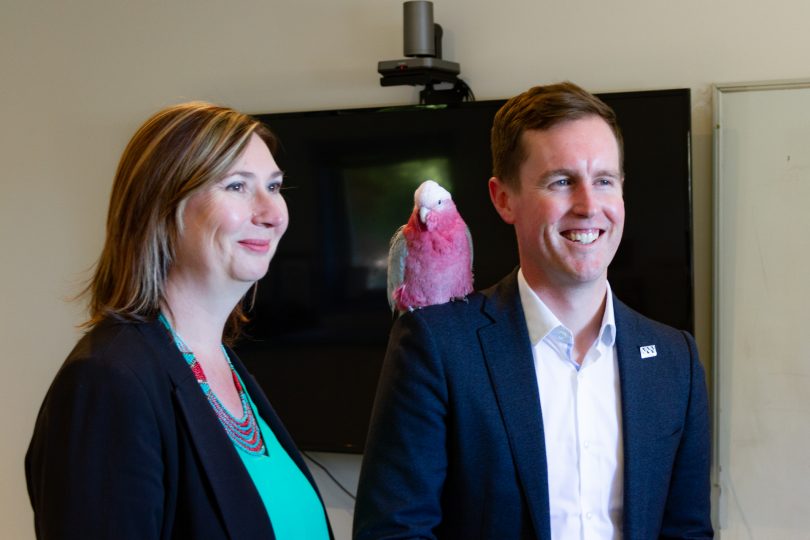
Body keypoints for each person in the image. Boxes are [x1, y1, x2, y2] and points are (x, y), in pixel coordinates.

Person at [354, 82, 713, 539]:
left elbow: (688, 532)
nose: (588, 206)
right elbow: (393, 531)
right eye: (561, 181)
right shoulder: (437, 347)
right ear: (503, 198)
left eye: (604, 180)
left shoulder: (675, 360)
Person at [26, 102, 333, 540]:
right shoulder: (106, 382)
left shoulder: (222, 363)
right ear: (163, 206)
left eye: (275, 185)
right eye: (237, 186)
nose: (272, 213)